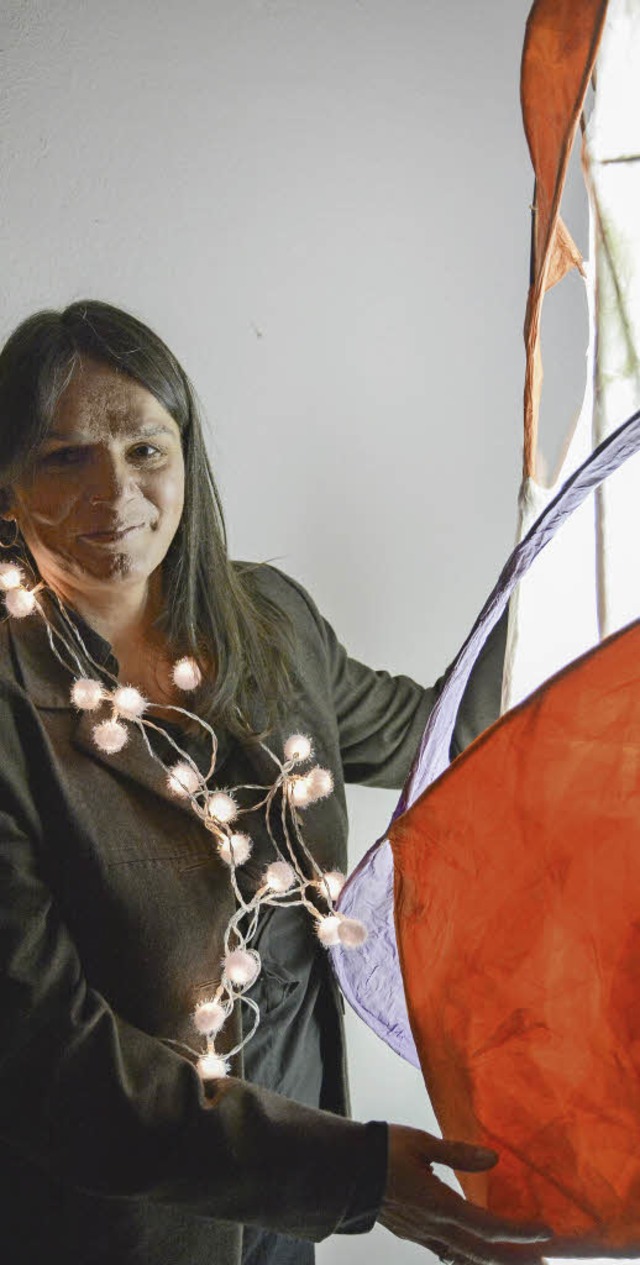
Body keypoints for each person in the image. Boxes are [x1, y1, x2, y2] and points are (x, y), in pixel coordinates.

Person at [0, 301, 547, 1265]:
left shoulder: (271, 621)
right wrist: (353, 1174)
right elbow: (53, 1068)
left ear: (188, 457)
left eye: (144, 449)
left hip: (285, 1223)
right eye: (62, 456)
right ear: (5, 484)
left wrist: (545, 580)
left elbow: (437, 734)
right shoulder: (14, 712)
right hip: (126, 1235)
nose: (115, 492)